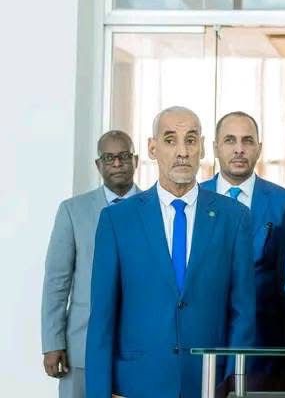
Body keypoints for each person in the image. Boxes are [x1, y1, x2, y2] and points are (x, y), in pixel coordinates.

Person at [85, 106, 255, 398]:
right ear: (152, 148)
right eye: (170, 140)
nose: (182, 152)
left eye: (190, 140)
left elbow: (243, 313)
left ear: (203, 148)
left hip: (208, 384)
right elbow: (102, 319)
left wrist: (231, 386)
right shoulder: (117, 220)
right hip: (137, 385)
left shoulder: (234, 217)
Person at [199, 111, 285, 388]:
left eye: (247, 141)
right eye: (230, 140)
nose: (239, 149)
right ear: (215, 147)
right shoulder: (193, 200)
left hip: (265, 351)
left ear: (259, 148)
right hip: (202, 343)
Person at [41, 131, 140, 398]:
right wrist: (52, 342)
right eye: (109, 158)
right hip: (81, 346)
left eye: (124, 156)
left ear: (135, 160)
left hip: (140, 348)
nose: (117, 163)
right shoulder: (73, 211)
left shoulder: (156, 208)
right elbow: (57, 281)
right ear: (98, 164)